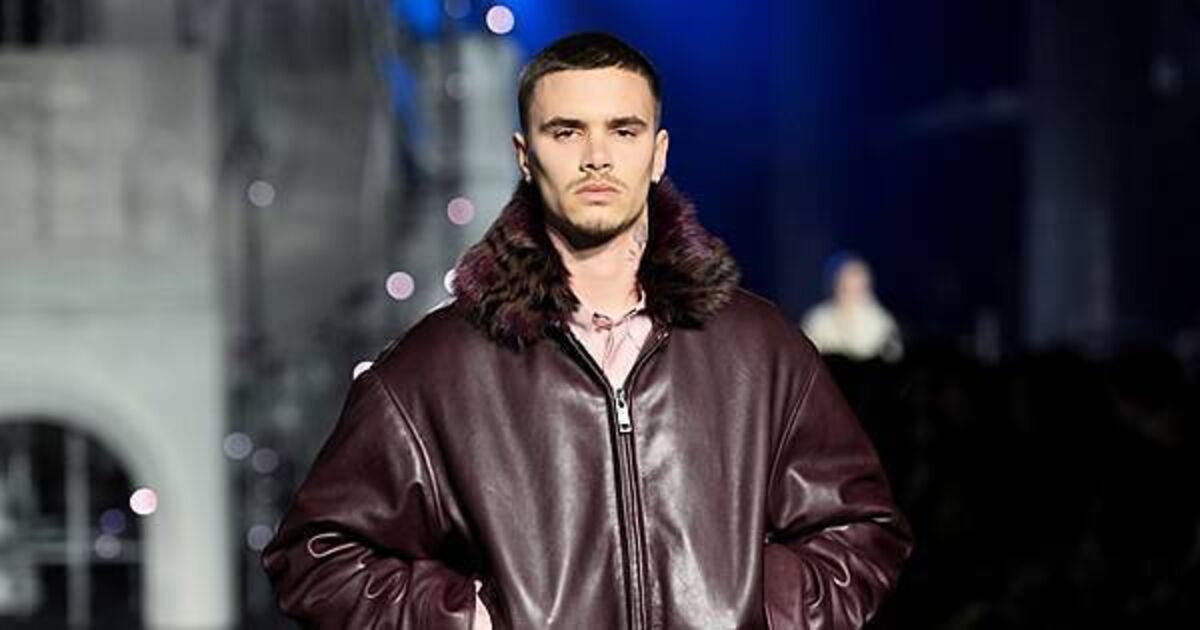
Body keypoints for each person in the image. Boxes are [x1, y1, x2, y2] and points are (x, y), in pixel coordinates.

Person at [263, 32, 911, 629]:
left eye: (623, 131)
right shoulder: (439, 366)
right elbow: (314, 556)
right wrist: (471, 621)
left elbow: (863, 530)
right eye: (567, 131)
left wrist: (755, 605)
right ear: (525, 155)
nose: (597, 157)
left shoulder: (757, 349)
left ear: (658, 154)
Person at [802, 253, 904, 362]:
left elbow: (893, 355)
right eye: (846, 286)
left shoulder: (882, 321)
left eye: (857, 287)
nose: (851, 292)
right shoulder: (818, 320)